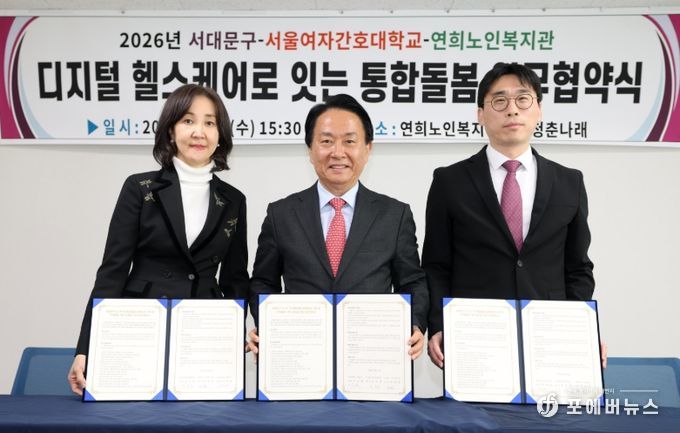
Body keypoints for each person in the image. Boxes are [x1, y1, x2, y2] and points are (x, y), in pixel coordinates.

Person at [68, 84, 248, 395]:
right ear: (170, 131)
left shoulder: (234, 199)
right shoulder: (140, 189)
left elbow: (235, 279)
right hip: (139, 327)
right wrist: (86, 347)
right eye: (188, 121)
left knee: (207, 415)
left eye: (210, 122)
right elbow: (112, 272)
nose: (199, 132)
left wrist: (235, 336)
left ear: (220, 135)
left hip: (205, 334)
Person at [422, 63, 603, 368]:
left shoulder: (569, 182)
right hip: (474, 334)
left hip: (548, 335)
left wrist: (581, 328)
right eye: (499, 101)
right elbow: (436, 266)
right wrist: (439, 324)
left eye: (522, 99)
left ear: (539, 110)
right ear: (481, 114)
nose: (512, 110)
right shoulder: (449, 181)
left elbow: (578, 268)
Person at [247, 94, 428, 360]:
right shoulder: (281, 214)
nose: (338, 152)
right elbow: (263, 282)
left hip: (370, 357)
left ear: (367, 149)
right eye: (326, 141)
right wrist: (266, 323)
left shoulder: (394, 215)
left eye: (350, 141)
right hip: (301, 357)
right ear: (310, 150)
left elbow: (412, 282)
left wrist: (415, 325)